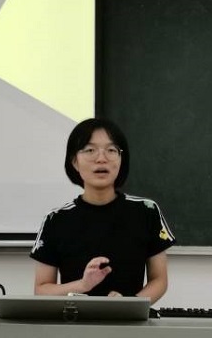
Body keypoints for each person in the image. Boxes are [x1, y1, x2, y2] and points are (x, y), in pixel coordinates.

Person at [30, 117, 175, 303]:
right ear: (74, 162)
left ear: (121, 160)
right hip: (74, 318)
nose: (101, 159)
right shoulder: (56, 219)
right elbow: (42, 289)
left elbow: (159, 279)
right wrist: (82, 285)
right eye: (90, 150)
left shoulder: (146, 211)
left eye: (111, 150)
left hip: (131, 319)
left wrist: (129, 304)